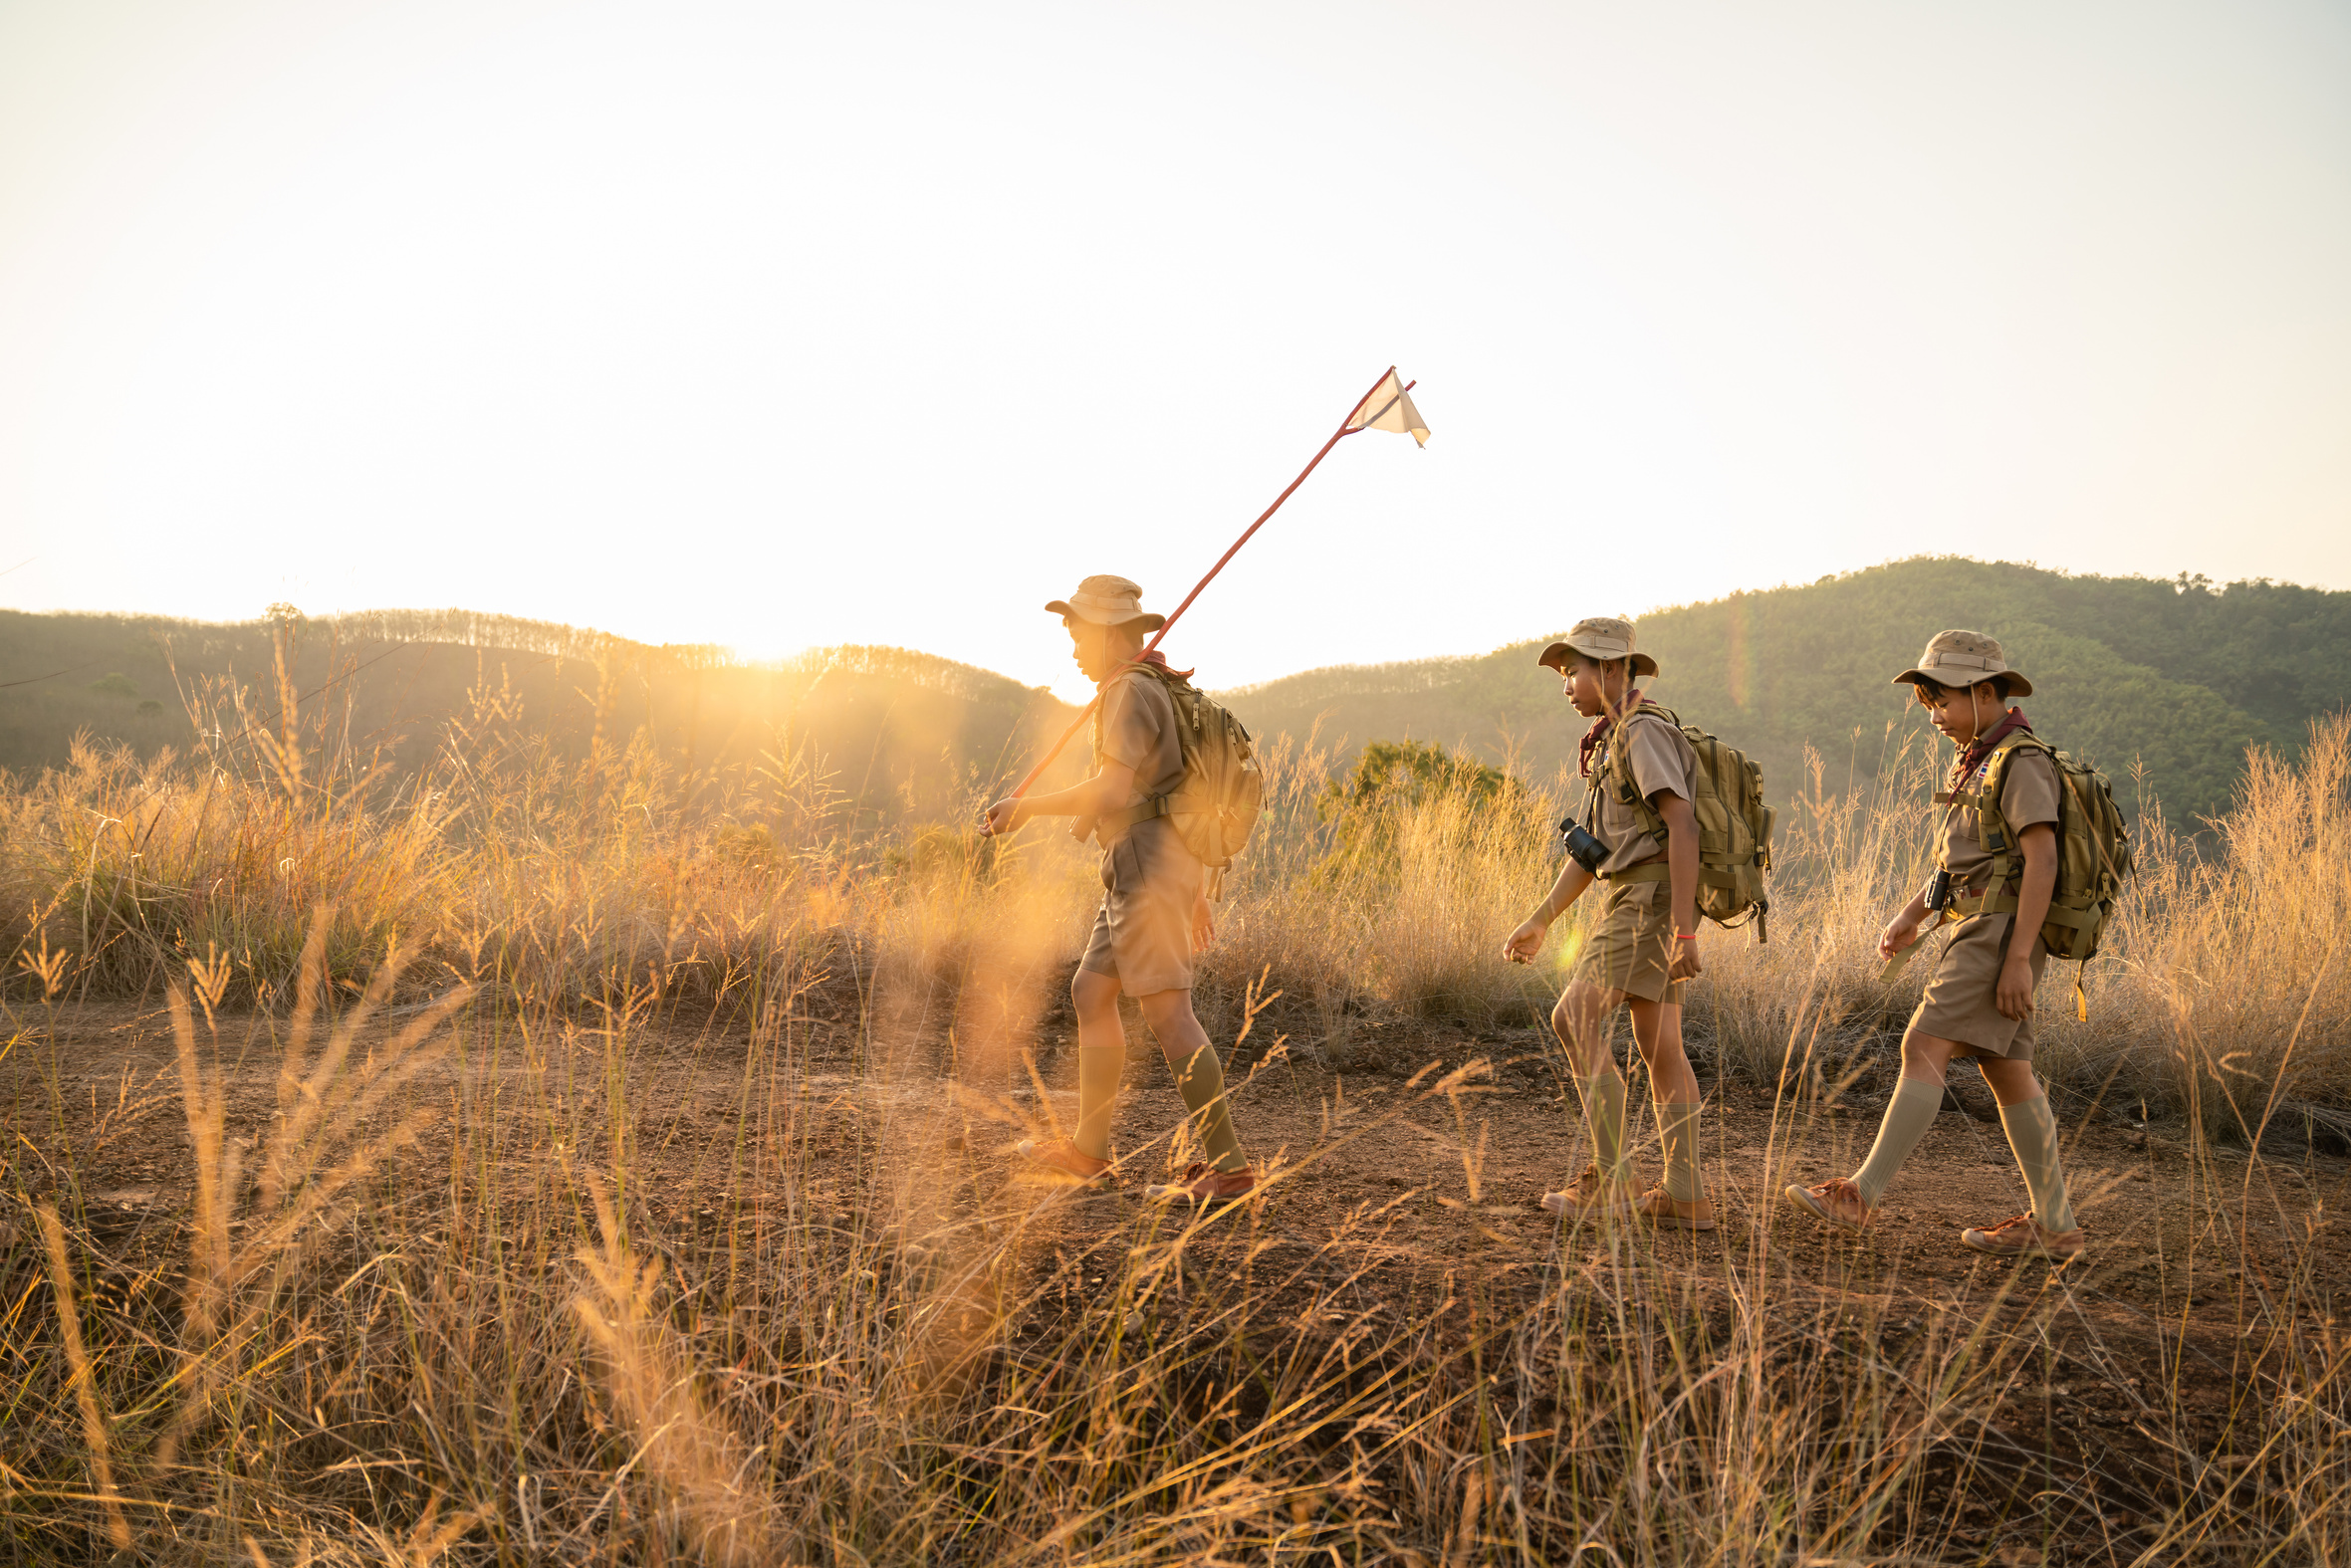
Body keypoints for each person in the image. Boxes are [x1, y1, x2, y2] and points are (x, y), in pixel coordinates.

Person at [1785, 630, 2084, 1260]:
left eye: (1941, 700)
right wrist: (1912, 914)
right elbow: (1965, 865)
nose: (1933, 715)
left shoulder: (2022, 762)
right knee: (2008, 1071)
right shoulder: (1982, 757)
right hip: (1978, 928)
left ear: (1983, 692)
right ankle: (2055, 1225)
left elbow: (2043, 862)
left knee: (1922, 1045)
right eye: (1927, 702)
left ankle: (1860, 1194)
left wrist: (2017, 962)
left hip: (1998, 935)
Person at [982, 574, 1257, 1204]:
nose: (1073, 645)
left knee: (1167, 1012)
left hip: (1148, 866)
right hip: (1144, 865)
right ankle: (1089, 1152)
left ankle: (1230, 1170)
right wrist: (1192, 889)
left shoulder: (1129, 691)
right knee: (1091, 990)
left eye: (1077, 631)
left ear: (1106, 632)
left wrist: (1025, 809)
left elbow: (1112, 792)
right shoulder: (1149, 685)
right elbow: (1175, 791)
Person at [1502, 617, 1714, 1230]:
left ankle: (1615, 1180)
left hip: (1649, 902)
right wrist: (1540, 920)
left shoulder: (1641, 734)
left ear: (1615, 670)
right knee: (1660, 1048)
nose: (1566, 683)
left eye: (1575, 670)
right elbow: (1592, 853)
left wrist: (1682, 929)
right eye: (1564, 672)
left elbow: (1682, 825)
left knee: (1574, 1016)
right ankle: (1686, 1194)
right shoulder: (1614, 739)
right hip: (1641, 895)